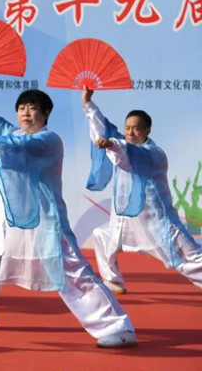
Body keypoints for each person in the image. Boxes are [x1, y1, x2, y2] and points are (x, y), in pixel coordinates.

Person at [0, 66, 136, 348]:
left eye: (33, 108)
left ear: (46, 114)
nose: (26, 113)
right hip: (8, 225)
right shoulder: (13, 134)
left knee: (73, 273)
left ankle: (118, 327)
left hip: (45, 225)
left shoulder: (48, 141)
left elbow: (14, 149)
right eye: (21, 108)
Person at [82, 87, 202, 292]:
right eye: (127, 128)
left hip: (157, 225)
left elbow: (124, 153)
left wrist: (111, 143)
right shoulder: (124, 144)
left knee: (190, 260)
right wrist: (88, 104)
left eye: (135, 128)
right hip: (125, 224)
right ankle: (113, 281)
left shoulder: (152, 154)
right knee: (101, 236)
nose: (129, 132)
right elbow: (105, 131)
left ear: (147, 130)